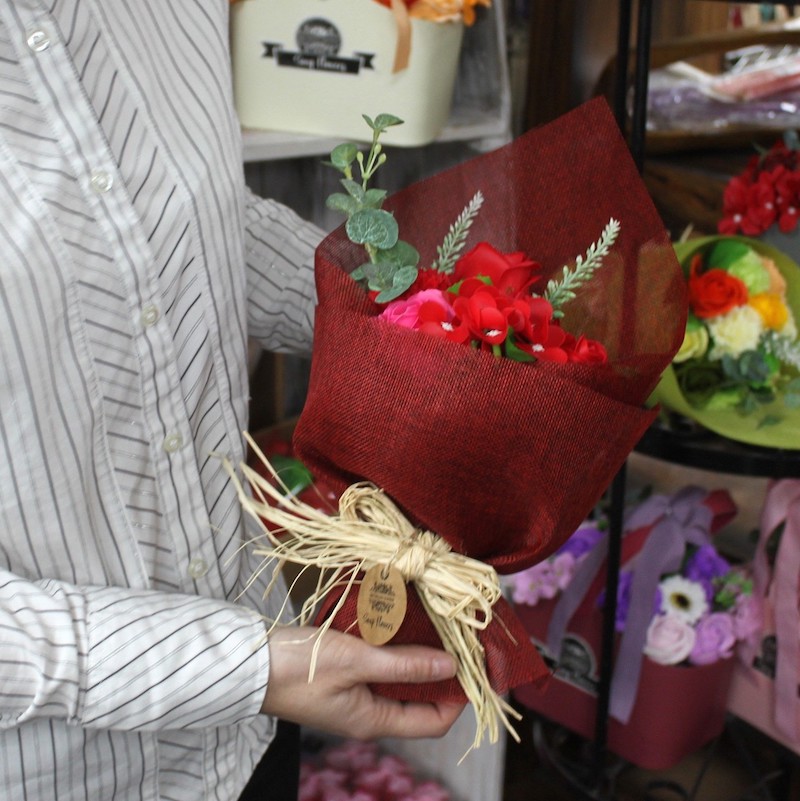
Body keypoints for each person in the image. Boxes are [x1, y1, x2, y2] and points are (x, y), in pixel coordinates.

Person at [0, 2, 462, 800]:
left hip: (246, 733)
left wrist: (420, 323)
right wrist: (241, 666)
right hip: (65, 771)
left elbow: (181, 217)